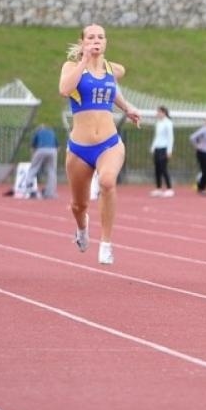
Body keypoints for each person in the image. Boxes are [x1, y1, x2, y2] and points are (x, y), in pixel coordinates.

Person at [60, 23, 141, 265]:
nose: (96, 40)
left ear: (106, 42)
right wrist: (84, 60)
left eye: (101, 37)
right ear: (83, 42)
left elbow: (113, 88)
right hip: (79, 148)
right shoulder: (72, 67)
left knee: (107, 181)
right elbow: (64, 89)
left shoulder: (111, 69)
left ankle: (106, 243)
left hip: (109, 142)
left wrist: (128, 108)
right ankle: (82, 230)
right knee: (78, 205)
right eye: (91, 37)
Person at [28, 124, 59, 199]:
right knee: (52, 171)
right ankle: (50, 193)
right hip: (53, 151)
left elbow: (33, 147)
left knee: (33, 168)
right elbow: (58, 146)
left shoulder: (38, 133)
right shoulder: (51, 132)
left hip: (41, 150)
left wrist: (33, 158)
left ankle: (29, 188)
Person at [151, 105, 175, 197]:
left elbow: (170, 137)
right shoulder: (158, 123)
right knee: (157, 169)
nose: (157, 114)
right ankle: (158, 188)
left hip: (164, 148)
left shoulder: (168, 123)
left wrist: (169, 150)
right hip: (157, 147)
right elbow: (157, 136)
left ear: (163, 113)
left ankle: (169, 188)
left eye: (159, 112)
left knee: (163, 168)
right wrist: (153, 147)